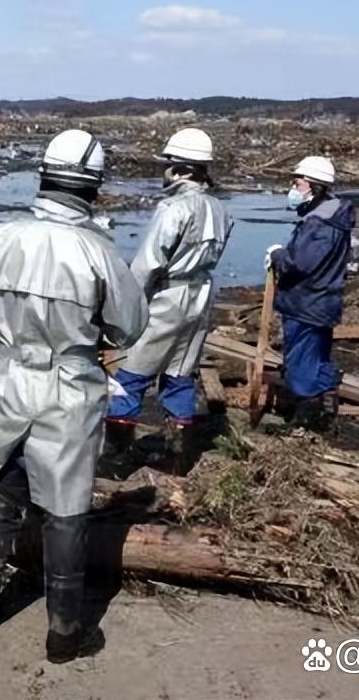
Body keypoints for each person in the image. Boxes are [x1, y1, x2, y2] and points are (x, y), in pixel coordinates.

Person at [0, 129, 148, 664]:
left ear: (44, 175)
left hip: (11, 377)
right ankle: (65, 634)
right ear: (93, 186)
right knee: (66, 509)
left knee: (2, 486)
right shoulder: (98, 251)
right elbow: (129, 328)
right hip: (70, 387)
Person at [101, 128, 233, 476]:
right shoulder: (219, 209)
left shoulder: (173, 208)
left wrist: (124, 306)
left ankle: (114, 460)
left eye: (168, 165)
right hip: (201, 296)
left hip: (168, 299)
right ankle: (178, 458)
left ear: (181, 168)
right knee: (179, 374)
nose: (164, 171)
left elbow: (147, 263)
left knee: (130, 375)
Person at [265, 156, 354, 429]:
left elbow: (299, 264)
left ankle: (305, 425)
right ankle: (326, 412)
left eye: (298, 181)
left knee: (301, 366)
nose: (293, 186)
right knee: (318, 361)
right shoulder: (332, 216)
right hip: (322, 300)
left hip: (307, 302)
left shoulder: (319, 224)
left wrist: (278, 254)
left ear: (314, 186)